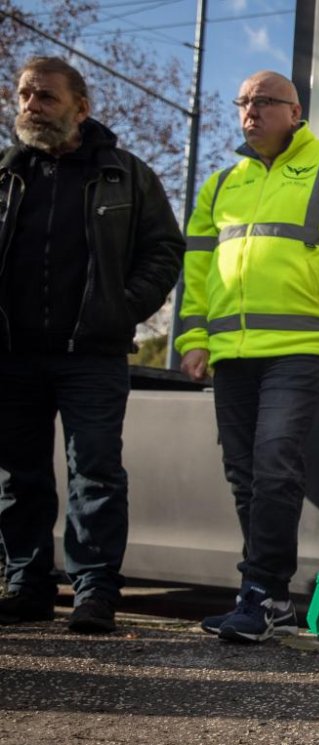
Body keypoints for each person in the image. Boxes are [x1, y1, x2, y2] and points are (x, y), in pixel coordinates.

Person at [177, 70, 319, 644]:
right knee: (244, 474)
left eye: (264, 102)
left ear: (295, 111)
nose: (250, 111)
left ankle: (259, 593)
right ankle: (269, 598)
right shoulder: (221, 184)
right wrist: (193, 338)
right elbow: (199, 269)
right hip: (232, 352)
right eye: (243, 101)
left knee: (275, 461)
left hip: (303, 347)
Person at [0, 56, 184, 634]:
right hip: (13, 354)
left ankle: (95, 592)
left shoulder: (126, 173)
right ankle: (25, 585)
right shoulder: (5, 174)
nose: (31, 106)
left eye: (45, 97)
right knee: (18, 474)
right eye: (24, 96)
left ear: (81, 107)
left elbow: (163, 251)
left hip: (94, 355)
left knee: (96, 472)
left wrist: (121, 309)